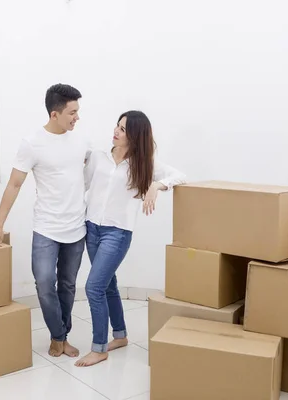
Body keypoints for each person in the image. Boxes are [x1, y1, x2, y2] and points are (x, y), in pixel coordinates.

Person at [0, 83, 91, 358]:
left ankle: (60, 337)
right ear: (55, 114)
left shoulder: (81, 140)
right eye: (72, 112)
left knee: (67, 285)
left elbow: (94, 172)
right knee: (44, 283)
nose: (77, 117)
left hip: (76, 227)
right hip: (46, 227)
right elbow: (14, 185)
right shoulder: (32, 143)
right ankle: (58, 335)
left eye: (78, 111)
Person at [75, 110, 186, 367]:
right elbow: (82, 184)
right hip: (91, 228)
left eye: (123, 129)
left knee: (94, 287)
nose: (116, 130)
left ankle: (99, 348)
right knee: (108, 285)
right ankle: (121, 335)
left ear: (135, 135)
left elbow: (180, 176)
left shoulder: (144, 164)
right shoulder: (99, 157)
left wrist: (156, 186)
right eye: (117, 125)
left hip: (118, 233)